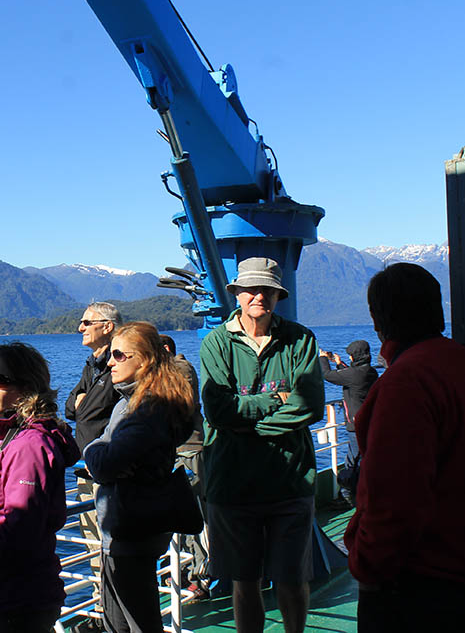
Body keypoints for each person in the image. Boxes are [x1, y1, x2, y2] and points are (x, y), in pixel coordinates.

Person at [344, 263, 465, 632]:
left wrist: (366, 564)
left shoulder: (405, 383)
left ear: (379, 322)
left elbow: (394, 500)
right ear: (436, 310)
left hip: (415, 582)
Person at [199, 257, 324, 633]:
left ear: (277, 295)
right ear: (236, 294)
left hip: (290, 482)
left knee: (291, 579)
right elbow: (218, 409)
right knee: (244, 580)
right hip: (234, 484)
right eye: (251, 289)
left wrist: (246, 425)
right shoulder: (216, 343)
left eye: (267, 289)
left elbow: (309, 406)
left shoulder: (300, 340)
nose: (259, 295)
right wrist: (274, 401)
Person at [83, 321, 197, 632]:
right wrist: (105, 449)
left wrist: (93, 447)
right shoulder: (152, 401)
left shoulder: (143, 408)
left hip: (128, 530)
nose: (109, 362)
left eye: (119, 355)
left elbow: (104, 462)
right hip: (140, 527)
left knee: (135, 622)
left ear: (143, 359)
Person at [0, 342, 80, 632]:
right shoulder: (10, 437)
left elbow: (20, 531)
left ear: (29, 388)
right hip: (6, 591)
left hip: (18, 597)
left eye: (0, 380)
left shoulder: (29, 446)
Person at [65, 301, 121, 599]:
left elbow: (88, 408)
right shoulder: (92, 364)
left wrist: (82, 403)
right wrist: (82, 403)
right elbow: (70, 408)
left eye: (87, 322)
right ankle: (103, 610)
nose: (80, 328)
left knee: (114, 547)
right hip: (88, 470)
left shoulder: (118, 364)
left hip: (111, 475)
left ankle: (113, 614)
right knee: (93, 544)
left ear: (107, 327)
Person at [160, 334, 210, 599]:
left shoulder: (181, 369)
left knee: (195, 514)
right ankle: (181, 569)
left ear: (166, 350)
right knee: (180, 514)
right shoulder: (171, 372)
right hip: (176, 451)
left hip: (189, 449)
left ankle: (199, 576)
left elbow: (181, 405)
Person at [318, 340, 378, 503]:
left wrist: (323, 359)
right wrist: (339, 363)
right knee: (362, 457)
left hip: (356, 425)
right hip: (368, 422)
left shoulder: (354, 374)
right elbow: (351, 375)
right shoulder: (370, 372)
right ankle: (360, 491)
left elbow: (327, 376)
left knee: (352, 460)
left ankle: (347, 496)